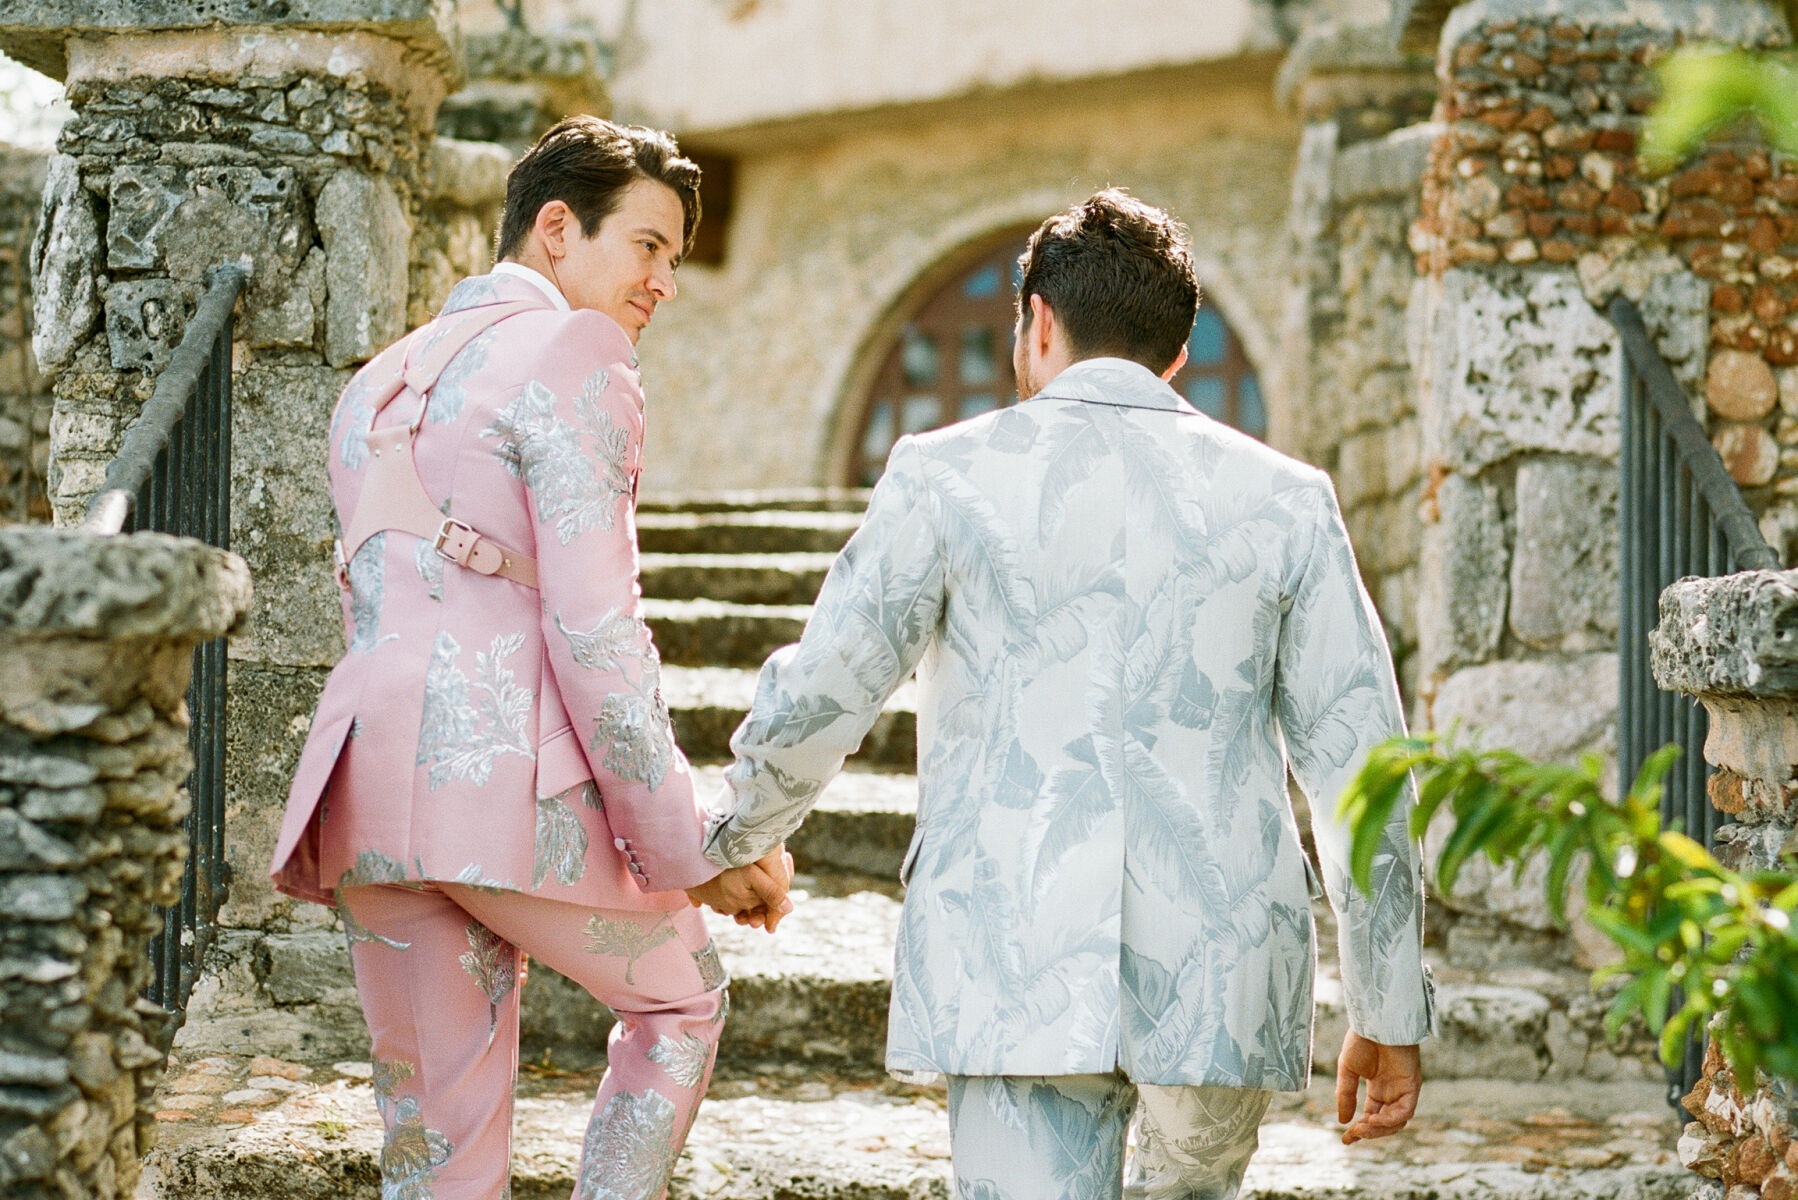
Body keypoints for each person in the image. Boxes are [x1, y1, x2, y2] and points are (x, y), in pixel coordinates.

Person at [694, 189, 1435, 1199]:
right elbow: (1362, 765)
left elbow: (829, 685)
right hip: (1222, 970)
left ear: (1037, 322)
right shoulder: (1286, 499)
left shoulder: (943, 476)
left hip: (1013, 948)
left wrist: (736, 836)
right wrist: (1388, 1006)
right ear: (1174, 355)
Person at [268, 115, 792, 1200]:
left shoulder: (374, 380)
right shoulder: (573, 351)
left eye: (676, 260)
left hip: (364, 792)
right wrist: (685, 844)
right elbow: (594, 629)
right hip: (503, 792)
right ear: (557, 227)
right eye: (648, 246)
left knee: (436, 1154)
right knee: (680, 1001)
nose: (665, 282)